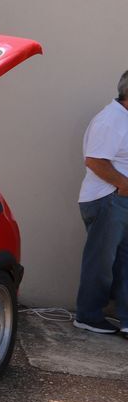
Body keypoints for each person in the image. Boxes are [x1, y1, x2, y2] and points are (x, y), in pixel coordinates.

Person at [74, 70, 128, 338]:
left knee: (123, 262)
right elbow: (95, 161)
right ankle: (88, 316)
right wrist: (123, 184)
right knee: (101, 262)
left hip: (118, 199)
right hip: (108, 199)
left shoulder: (123, 118)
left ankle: (126, 319)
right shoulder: (111, 120)